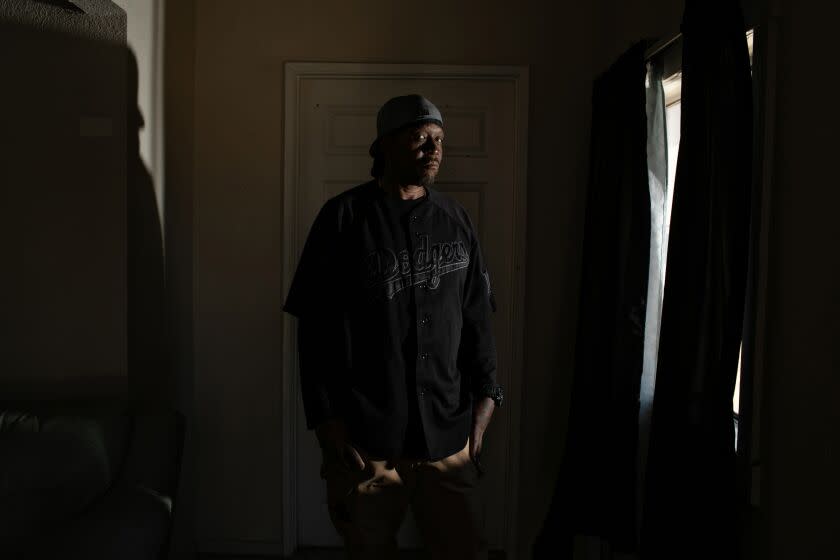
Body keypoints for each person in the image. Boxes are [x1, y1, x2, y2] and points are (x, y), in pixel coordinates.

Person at [284, 94, 504, 559]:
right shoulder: (342, 218)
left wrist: (487, 399)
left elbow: (478, 318)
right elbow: (315, 333)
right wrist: (327, 425)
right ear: (384, 146)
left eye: (439, 140)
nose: (433, 149)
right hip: (368, 438)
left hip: (447, 435)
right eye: (420, 138)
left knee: (462, 548)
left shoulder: (456, 220)